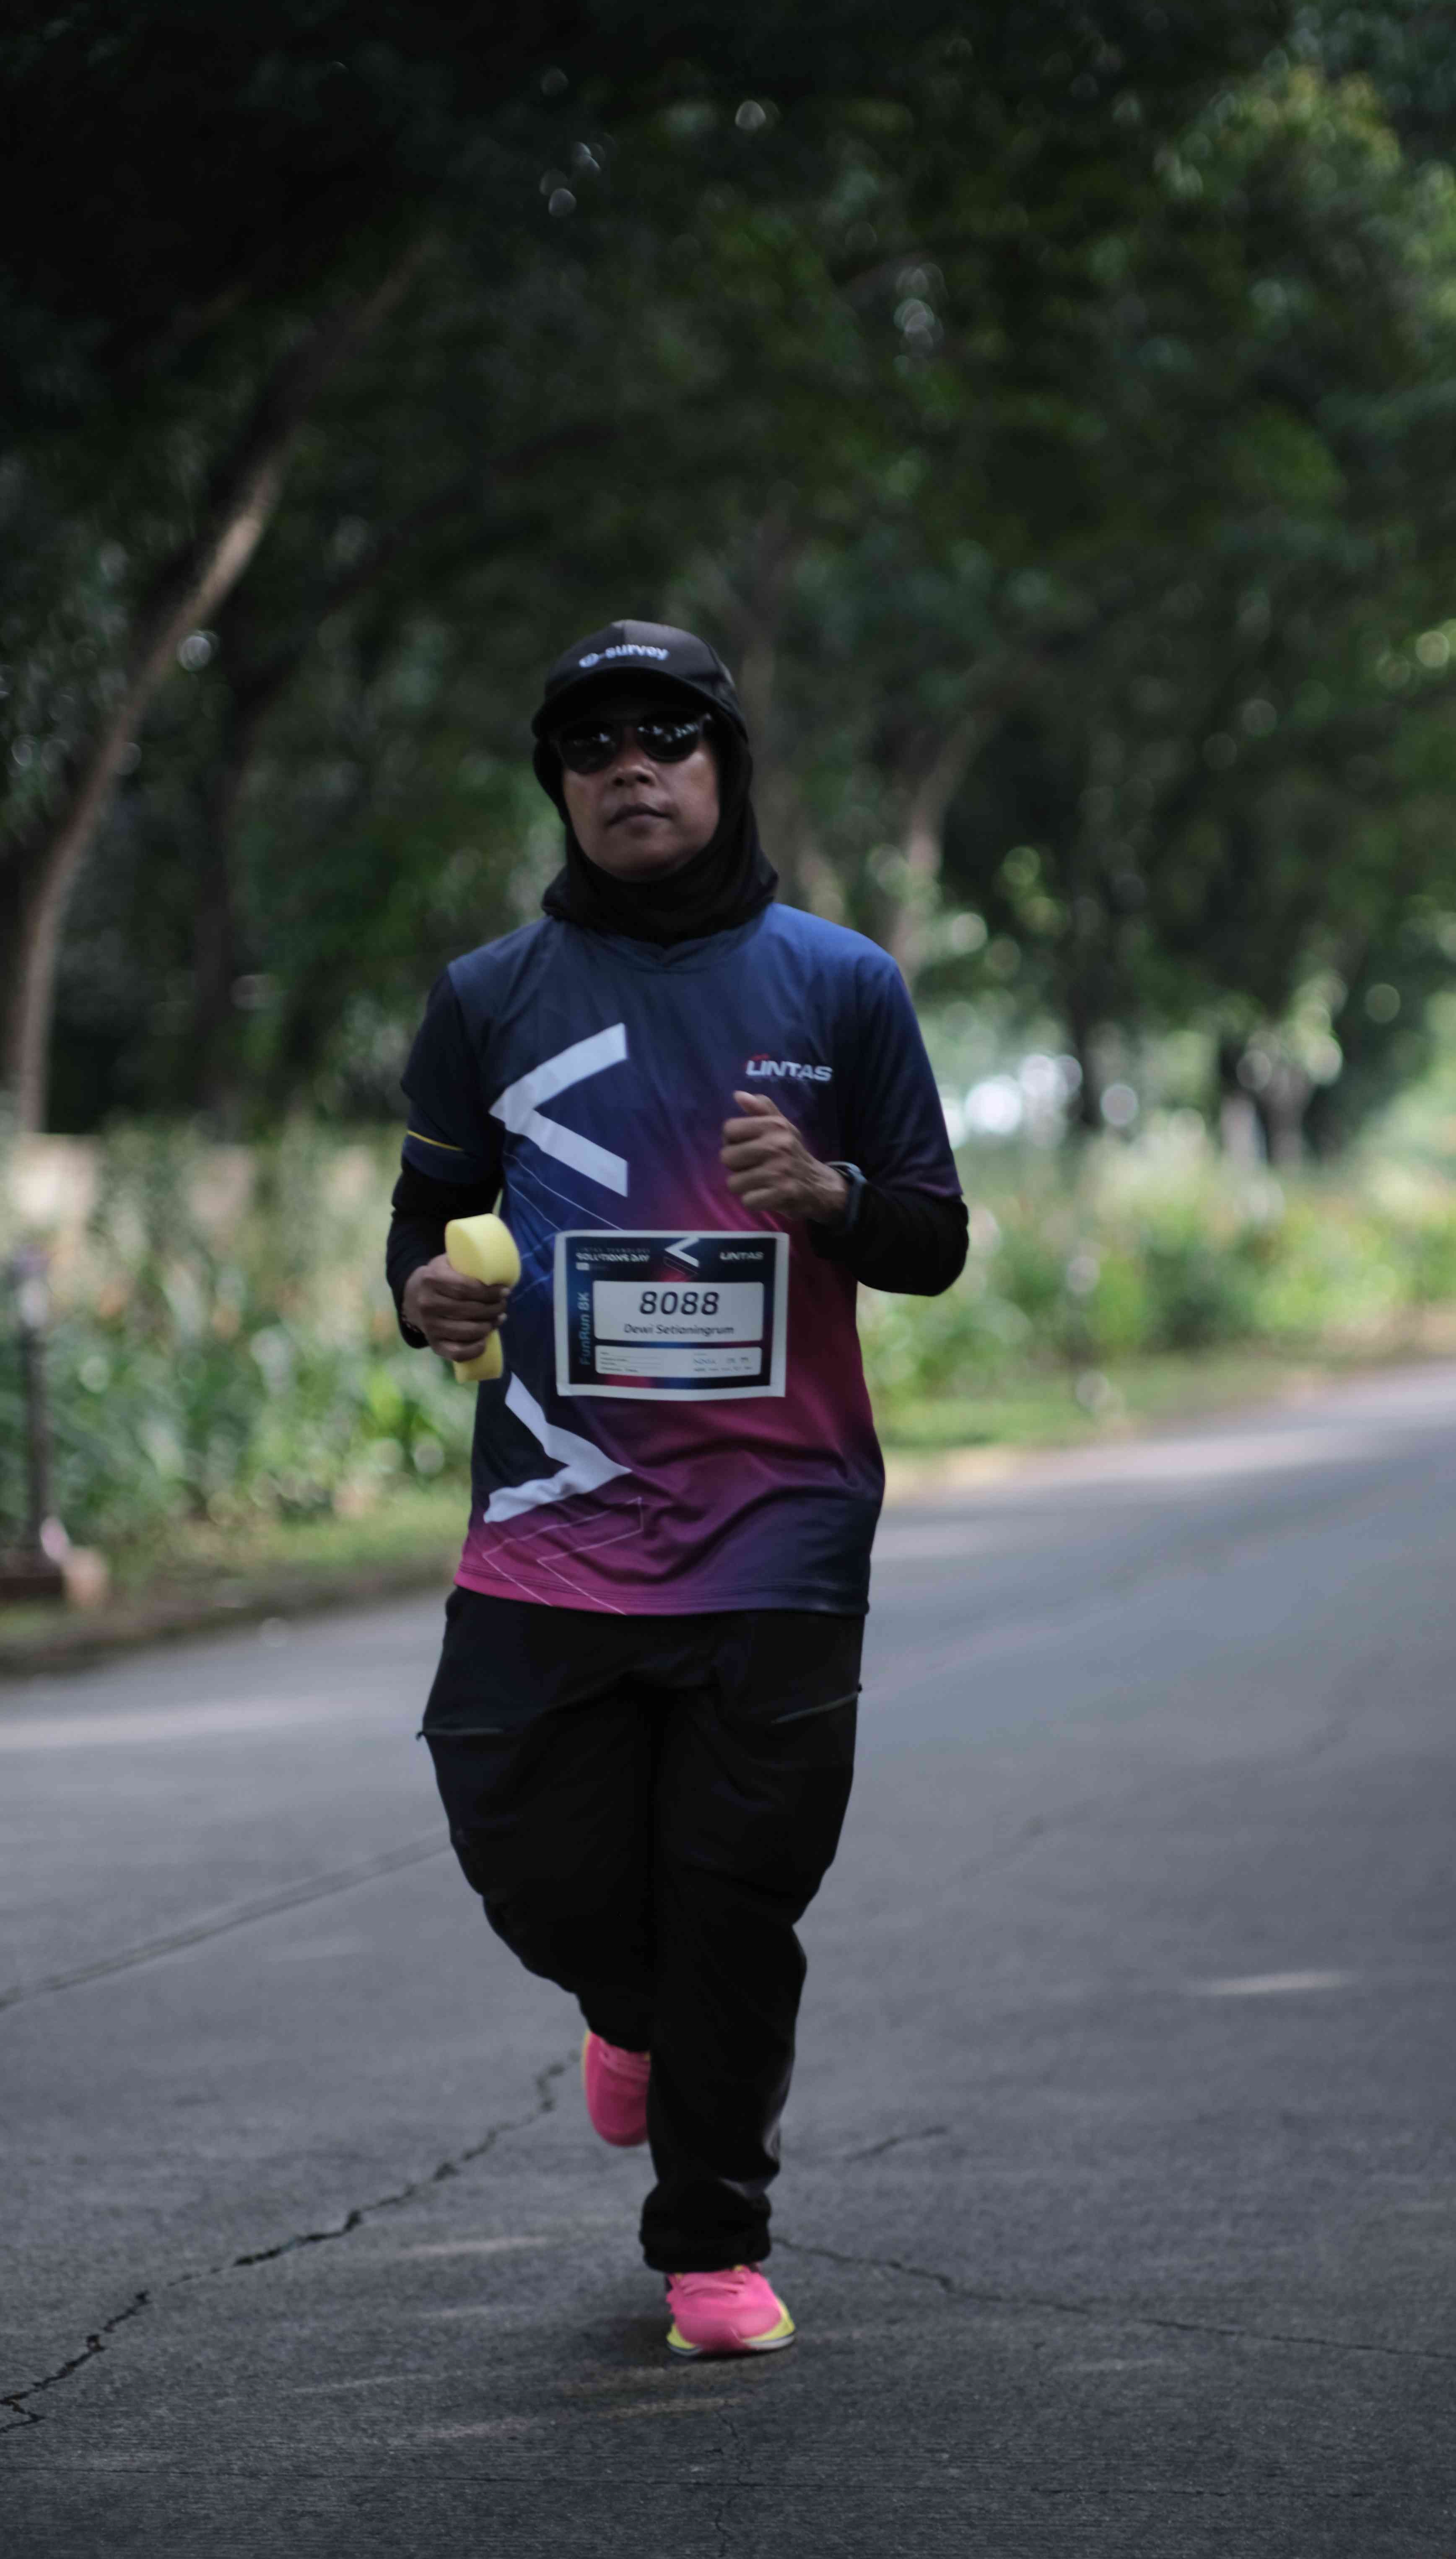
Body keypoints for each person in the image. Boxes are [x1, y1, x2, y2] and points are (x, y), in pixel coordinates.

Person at [386, 619, 966, 2359]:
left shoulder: (842, 985)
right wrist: (424, 1295)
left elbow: (932, 1240)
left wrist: (835, 1199)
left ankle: (713, 2245)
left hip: (781, 1535)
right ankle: (627, 2012)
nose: (628, 765)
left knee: (736, 1903)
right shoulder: (488, 998)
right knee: (532, 1861)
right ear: (559, 787)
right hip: (549, 1526)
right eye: (591, 745)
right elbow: (423, 1229)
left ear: (724, 765)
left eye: (666, 734)